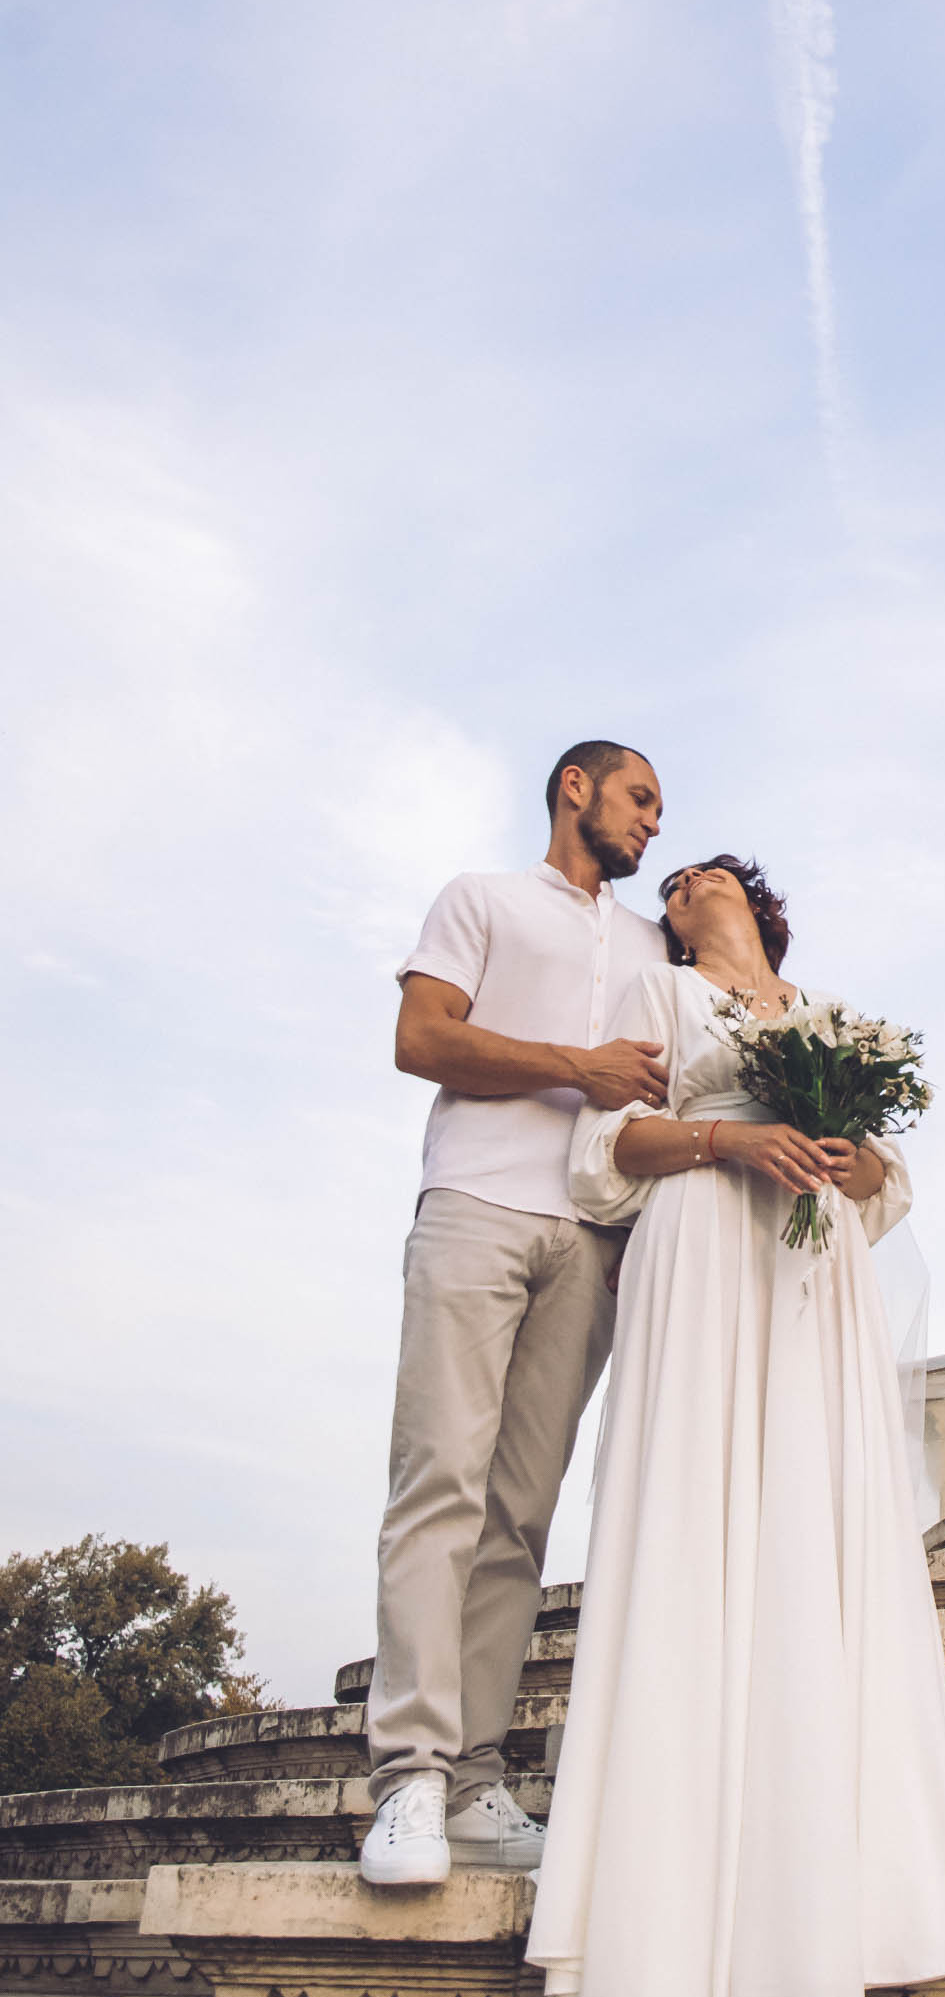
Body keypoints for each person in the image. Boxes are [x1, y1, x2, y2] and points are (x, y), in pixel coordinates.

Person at [525, 855, 945, 1997]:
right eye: (668, 882)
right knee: (697, 1509)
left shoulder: (831, 1020)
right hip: (702, 1247)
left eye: (701, 872)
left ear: (753, 899)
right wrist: (729, 1146)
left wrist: (850, 1158)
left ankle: (839, 1882)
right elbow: (599, 1155)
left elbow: (889, 1185)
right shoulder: (662, 999)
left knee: (815, 1519)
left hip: (813, 1265)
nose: (679, 886)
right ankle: (669, 1923)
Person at [358, 740, 668, 1888]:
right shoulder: (478, 899)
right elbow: (421, 1039)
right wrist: (569, 1067)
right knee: (438, 1480)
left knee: (520, 1513)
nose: (650, 825)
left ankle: (477, 1777)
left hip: (592, 1238)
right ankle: (407, 1780)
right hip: (476, 1206)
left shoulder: (651, 945)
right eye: (640, 799)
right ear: (575, 788)